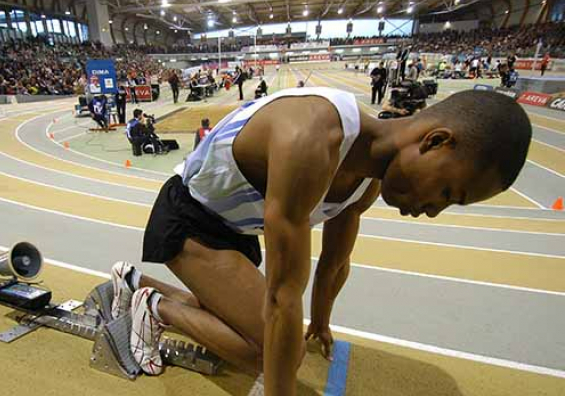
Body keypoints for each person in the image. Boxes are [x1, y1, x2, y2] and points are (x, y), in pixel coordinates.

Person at [109, 88, 531, 395]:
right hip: (188, 220)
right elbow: (282, 296)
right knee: (274, 356)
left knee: (264, 330)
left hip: (234, 231)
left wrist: (322, 322)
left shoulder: (367, 178)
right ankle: (154, 307)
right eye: (446, 193)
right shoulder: (310, 137)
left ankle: (136, 284)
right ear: (436, 142)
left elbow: (333, 263)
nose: (433, 210)